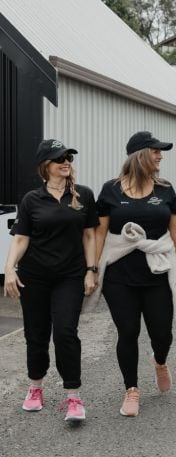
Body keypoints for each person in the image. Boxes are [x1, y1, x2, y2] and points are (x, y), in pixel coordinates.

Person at [90, 131, 176, 417]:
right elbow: (100, 232)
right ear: (140, 155)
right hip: (119, 275)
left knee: (162, 333)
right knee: (128, 331)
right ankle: (132, 390)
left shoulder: (165, 189)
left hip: (157, 272)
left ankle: (160, 361)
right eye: (156, 151)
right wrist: (93, 269)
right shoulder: (110, 190)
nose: (161, 155)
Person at [3, 139, 97, 422]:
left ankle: (73, 396)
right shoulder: (32, 199)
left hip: (70, 276)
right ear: (46, 166)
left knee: (66, 332)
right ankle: (35, 388)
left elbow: (89, 235)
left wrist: (91, 270)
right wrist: (9, 269)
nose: (66, 162)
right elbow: (21, 239)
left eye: (68, 157)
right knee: (36, 333)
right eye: (60, 158)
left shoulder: (83, 195)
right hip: (34, 276)